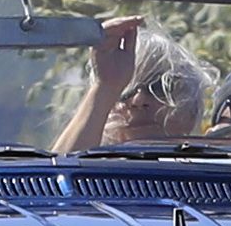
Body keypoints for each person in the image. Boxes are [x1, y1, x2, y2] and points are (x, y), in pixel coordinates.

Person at [54, 15, 214, 152]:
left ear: (191, 112)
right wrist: (106, 86)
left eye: (158, 87)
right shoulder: (95, 177)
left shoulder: (215, 180)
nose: (139, 101)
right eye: (124, 91)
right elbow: (56, 180)